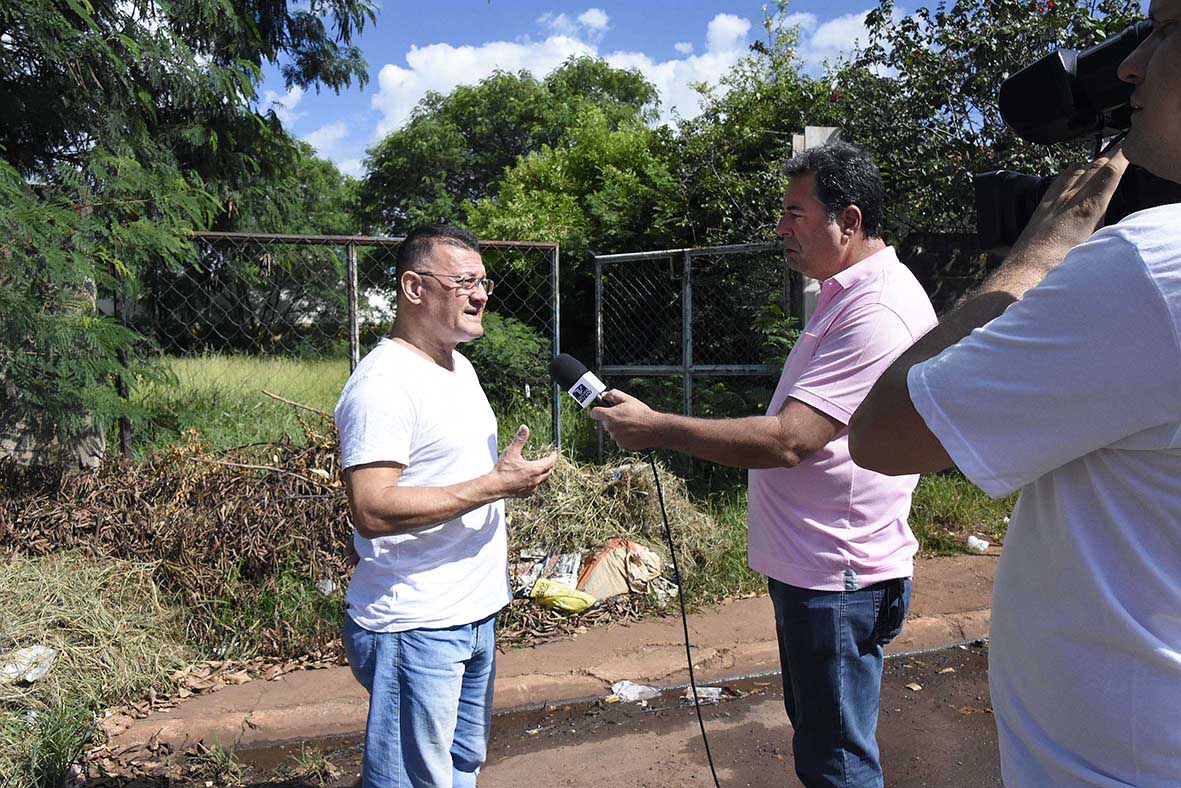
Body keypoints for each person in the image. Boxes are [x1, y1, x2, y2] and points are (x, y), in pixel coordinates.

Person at [848, 6, 1181, 784]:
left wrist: (1036, 260)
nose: (1128, 67)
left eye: (1164, 31)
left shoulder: (1152, 269)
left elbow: (883, 433)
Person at [591, 141, 937, 788]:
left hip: (838, 578)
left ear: (850, 221)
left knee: (837, 767)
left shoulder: (876, 307)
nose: (780, 228)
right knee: (824, 750)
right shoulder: (845, 292)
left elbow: (788, 441)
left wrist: (657, 429)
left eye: (794, 213)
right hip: (820, 572)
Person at [333, 224, 557, 788]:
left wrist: (497, 485)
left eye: (484, 282)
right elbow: (373, 507)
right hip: (416, 622)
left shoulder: (460, 367)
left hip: (474, 612)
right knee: (411, 780)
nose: (481, 295)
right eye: (465, 283)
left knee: (459, 769)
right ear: (414, 288)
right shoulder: (383, 384)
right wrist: (495, 485)